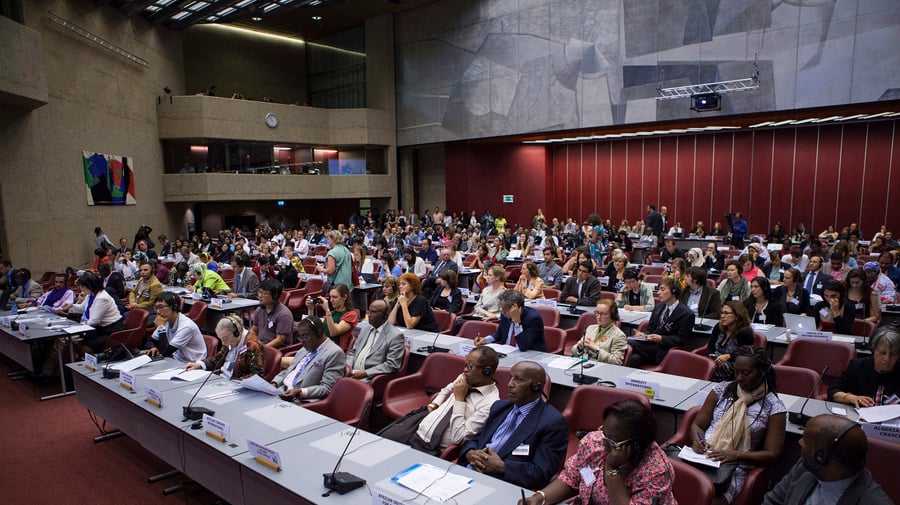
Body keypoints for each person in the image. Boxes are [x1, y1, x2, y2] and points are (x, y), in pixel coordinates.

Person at [521, 399, 676, 505]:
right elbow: (571, 477)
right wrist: (540, 498)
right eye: (604, 431)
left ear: (635, 445)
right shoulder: (594, 443)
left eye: (611, 439)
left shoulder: (656, 471)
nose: (602, 441)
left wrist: (612, 469)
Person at [692, 346, 786, 504]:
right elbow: (697, 425)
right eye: (736, 372)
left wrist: (735, 454)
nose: (739, 378)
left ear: (761, 373)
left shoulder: (774, 407)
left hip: (735, 467)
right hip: (704, 457)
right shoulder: (721, 390)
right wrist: (698, 440)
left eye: (746, 373)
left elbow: (772, 454)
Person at [459, 361, 567, 490]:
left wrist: (502, 467)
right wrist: (470, 453)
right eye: (510, 378)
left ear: (535, 387)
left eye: (518, 380)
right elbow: (476, 439)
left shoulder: (552, 422)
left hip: (503, 484)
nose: (510, 384)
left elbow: (541, 473)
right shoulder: (500, 407)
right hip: (469, 473)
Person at [762, 415, 892, 505]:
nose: (800, 442)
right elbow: (773, 501)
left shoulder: (872, 501)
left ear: (822, 458)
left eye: (806, 441)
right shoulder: (804, 468)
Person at [407, 347, 500, 455]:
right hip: (415, 430)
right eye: (465, 365)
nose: (465, 370)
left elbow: (458, 438)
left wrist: (459, 400)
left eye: (470, 366)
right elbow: (446, 390)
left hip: (432, 449)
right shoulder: (465, 377)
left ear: (486, 371)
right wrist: (434, 405)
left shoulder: (490, 404)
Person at [272, 316, 345, 402]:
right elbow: (290, 370)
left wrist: (300, 392)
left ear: (319, 332)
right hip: (281, 391)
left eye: (305, 336)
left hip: (299, 400)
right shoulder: (305, 349)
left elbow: (327, 388)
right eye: (300, 337)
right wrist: (275, 383)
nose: (302, 341)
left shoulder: (334, 353)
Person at [628, 278, 695, 367]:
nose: (658, 293)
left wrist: (661, 338)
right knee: (634, 358)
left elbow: (682, 339)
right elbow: (650, 329)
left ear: (673, 291)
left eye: (662, 289)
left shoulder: (687, 314)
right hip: (650, 347)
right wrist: (643, 334)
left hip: (666, 351)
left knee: (628, 342)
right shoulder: (658, 307)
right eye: (659, 289)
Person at [828, 326, 900, 407]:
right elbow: (833, 391)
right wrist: (850, 398)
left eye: (893, 354)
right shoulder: (857, 366)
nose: (887, 359)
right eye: (882, 352)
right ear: (873, 350)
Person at [185, 315, 264, 380]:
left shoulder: (253, 346)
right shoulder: (229, 342)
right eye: (221, 339)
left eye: (225, 338)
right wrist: (200, 364)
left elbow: (256, 376)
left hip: (235, 385)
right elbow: (217, 360)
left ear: (237, 333)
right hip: (221, 378)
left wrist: (234, 382)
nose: (223, 343)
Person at [345, 299, 405, 383]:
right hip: (351, 373)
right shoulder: (365, 329)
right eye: (369, 311)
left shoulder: (395, 336)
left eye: (374, 312)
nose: (369, 315)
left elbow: (391, 365)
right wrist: (348, 366)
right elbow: (353, 352)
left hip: (370, 378)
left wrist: (366, 373)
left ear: (385, 315)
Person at [475, 289, 546, 351]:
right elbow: (499, 334)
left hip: (530, 356)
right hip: (507, 352)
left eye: (506, 310)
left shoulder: (533, 318)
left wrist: (516, 322)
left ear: (517, 308)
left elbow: (523, 346)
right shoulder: (504, 314)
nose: (503, 312)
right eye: (502, 309)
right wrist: (485, 340)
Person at [144, 292, 206, 362]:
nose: (158, 311)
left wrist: (161, 328)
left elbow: (165, 352)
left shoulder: (186, 326)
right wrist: (152, 347)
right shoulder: (166, 320)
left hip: (192, 364)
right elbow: (150, 342)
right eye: (156, 307)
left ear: (174, 307)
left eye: (161, 307)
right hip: (176, 359)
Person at [704, 301, 755, 382]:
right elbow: (710, 346)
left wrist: (728, 356)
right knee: (702, 365)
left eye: (726, 313)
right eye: (722, 313)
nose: (722, 316)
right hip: (715, 361)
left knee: (709, 369)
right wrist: (709, 357)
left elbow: (746, 354)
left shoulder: (745, 332)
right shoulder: (718, 327)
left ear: (737, 316)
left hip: (735, 365)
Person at [571, 299, 627, 365]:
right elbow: (573, 352)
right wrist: (580, 346)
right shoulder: (590, 328)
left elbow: (617, 362)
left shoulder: (619, 335)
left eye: (603, 314)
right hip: (583, 364)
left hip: (601, 368)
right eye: (597, 313)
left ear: (612, 315)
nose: (598, 317)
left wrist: (597, 349)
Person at [249, 279, 293, 348]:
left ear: (275, 296)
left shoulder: (283, 314)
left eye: (265, 293)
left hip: (276, 350)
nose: (260, 296)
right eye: (260, 292)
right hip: (261, 345)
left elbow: (280, 340)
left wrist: (262, 349)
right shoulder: (259, 309)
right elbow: (254, 330)